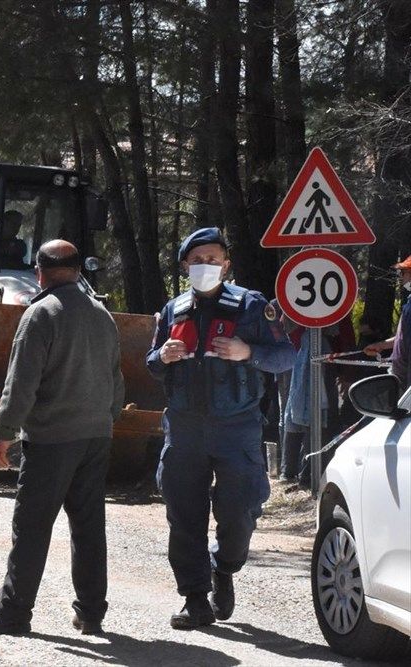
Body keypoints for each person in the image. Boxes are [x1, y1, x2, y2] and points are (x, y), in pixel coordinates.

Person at [0, 240, 123, 637]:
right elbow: (117, 380)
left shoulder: (41, 314)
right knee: (88, 526)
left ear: (40, 272)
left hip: (53, 439)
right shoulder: (103, 315)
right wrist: (106, 420)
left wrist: (4, 432)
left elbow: (21, 383)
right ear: (77, 270)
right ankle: (91, 612)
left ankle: (14, 612)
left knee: (32, 526)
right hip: (96, 436)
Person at [146, 227, 295, 629]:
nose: (205, 266)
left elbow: (286, 357)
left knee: (239, 510)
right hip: (184, 429)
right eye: (197, 261)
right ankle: (194, 599)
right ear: (185, 266)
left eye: (213, 259)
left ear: (226, 265)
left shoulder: (251, 306)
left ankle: (224, 568)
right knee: (184, 514)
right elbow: (151, 363)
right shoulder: (174, 309)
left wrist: (250, 353)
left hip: (237, 428)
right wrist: (162, 356)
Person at [364, 255, 411, 389]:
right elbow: (404, 338)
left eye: (404, 272)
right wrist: (381, 345)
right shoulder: (409, 303)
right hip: (403, 381)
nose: (401, 277)